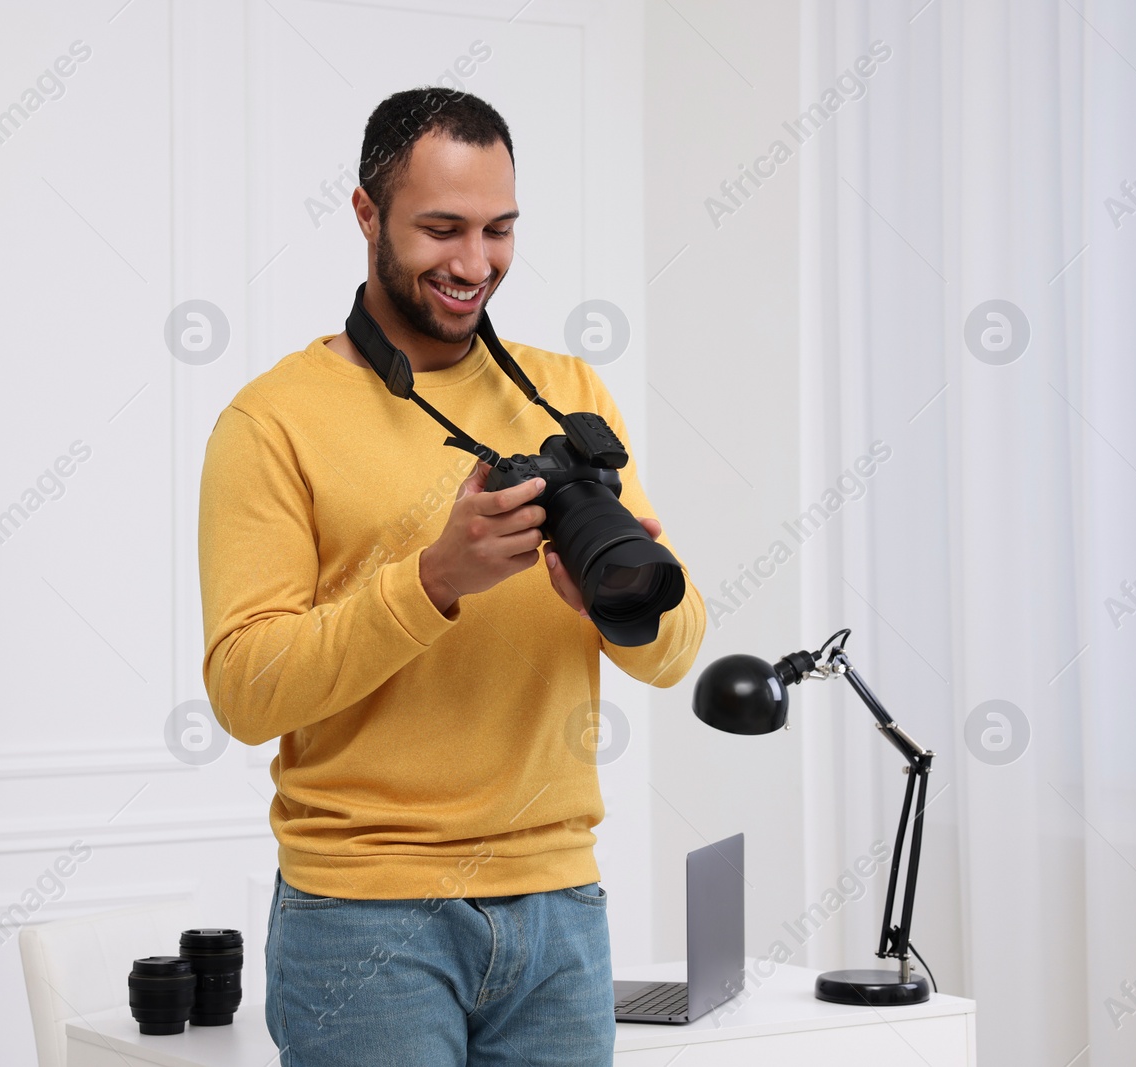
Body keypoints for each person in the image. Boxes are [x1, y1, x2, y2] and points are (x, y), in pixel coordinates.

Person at [197, 88, 706, 1066]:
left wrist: (608, 610)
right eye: (440, 229)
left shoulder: (571, 393)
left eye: (498, 230)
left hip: (559, 907)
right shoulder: (270, 421)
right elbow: (245, 688)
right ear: (364, 214)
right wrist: (432, 578)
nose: (474, 264)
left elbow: (676, 646)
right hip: (363, 915)